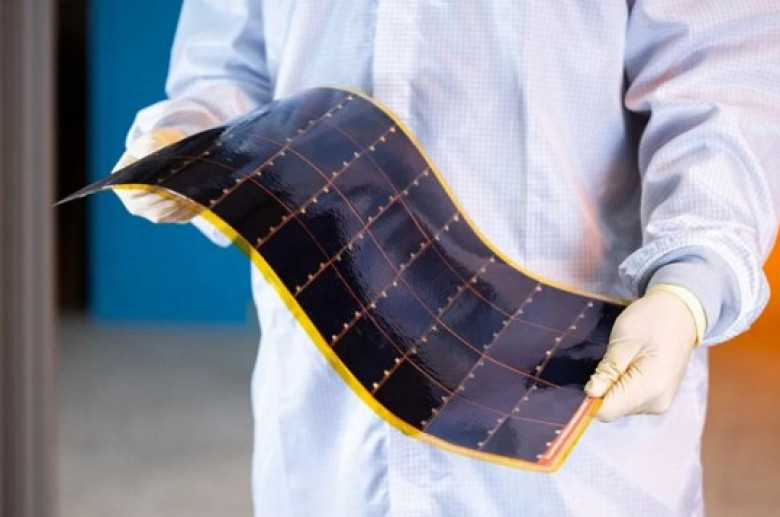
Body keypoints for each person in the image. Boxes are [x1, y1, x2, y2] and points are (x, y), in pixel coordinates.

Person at [113, 2, 780, 515]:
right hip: (331, 411)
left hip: (569, 407)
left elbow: (719, 72)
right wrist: (192, 139)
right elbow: (233, 60)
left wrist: (693, 280)